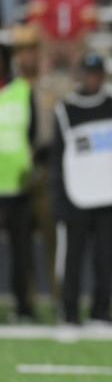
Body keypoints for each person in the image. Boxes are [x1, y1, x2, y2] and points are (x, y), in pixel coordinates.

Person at [51, 53, 112, 324]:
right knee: (73, 260)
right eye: (88, 73)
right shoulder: (65, 110)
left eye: (97, 73)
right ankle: (69, 311)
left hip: (110, 198)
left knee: (106, 260)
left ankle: (101, 310)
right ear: (80, 75)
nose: (92, 79)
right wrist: (60, 202)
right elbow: (58, 160)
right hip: (77, 199)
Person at [0, 34, 37, 321]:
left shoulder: (23, 90)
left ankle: (23, 306)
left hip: (18, 186)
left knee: (21, 253)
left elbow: (33, 133)